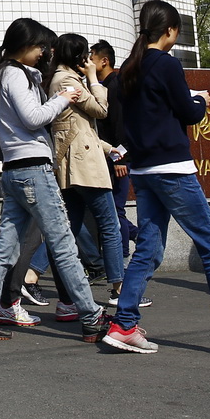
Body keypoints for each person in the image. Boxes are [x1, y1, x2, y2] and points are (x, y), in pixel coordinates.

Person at [100, 2, 210, 356]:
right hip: (173, 169)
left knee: (148, 248)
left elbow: (147, 112)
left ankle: (124, 324)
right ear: (170, 31)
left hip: (143, 170)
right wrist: (202, 101)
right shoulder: (167, 64)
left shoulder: (129, 68)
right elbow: (188, 112)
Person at [0, 18, 105, 344]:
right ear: (24, 45)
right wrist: (64, 97)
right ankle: (92, 317)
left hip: (15, 171)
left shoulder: (6, 74)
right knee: (64, 245)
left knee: (4, 251)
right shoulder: (14, 74)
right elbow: (33, 118)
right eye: (39, 46)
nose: (43, 52)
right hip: (33, 171)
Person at [47, 33, 127, 317]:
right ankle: (118, 289)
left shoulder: (60, 78)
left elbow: (79, 126)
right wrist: (94, 78)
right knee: (109, 225)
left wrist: (107, 148)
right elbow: (101, 110)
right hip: (83, 165)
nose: (88, 60)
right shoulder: (67, 81)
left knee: (69, 229)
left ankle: (63, 296)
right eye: (85, 55)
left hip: (72, 163)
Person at [90, 39, 137, 255]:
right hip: (107, 156)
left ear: (104, 61)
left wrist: (120, 159)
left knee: (116, 210)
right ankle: (137, 235)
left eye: (92, 58)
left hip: (117, 157)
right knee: (111, 210)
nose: (88, 62)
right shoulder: (102, 86)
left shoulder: (115, 86)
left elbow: (120, 124)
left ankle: (123, 257)